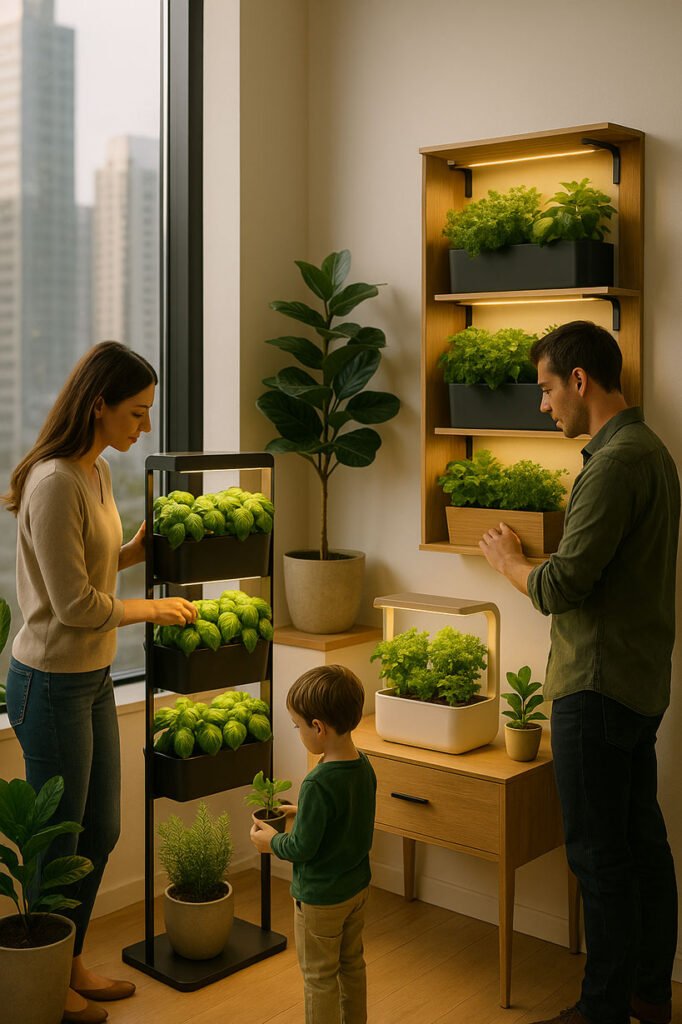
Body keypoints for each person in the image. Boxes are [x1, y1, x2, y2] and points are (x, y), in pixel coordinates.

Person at [479, 321, 679, 1024]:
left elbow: (563, 585)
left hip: (594, 687)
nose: (543, 405)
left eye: (546, 388)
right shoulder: (652, 453)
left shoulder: (617, 462)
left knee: (600, 860)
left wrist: (507, 562)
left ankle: (602, 1012)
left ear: (580, 381)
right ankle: (648, 997)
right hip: (640, 683)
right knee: (641, 847)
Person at [3, 341, 197, 1024]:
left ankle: (72, 961)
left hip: (90, 676)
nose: (143, 428)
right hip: (49, 680)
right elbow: (72, 604)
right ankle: (46, 983)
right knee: (60, 841)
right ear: (99, 406)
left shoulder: (96, 475)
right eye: (136, 414)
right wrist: (154, 606)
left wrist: (133, 553)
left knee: (101, 829)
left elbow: (87, 568)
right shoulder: (54, 480)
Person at [250, 664, 376, 1024]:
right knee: (352, 965)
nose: (299, 732)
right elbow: (346, 820)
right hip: (356, 890)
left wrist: (271, 841)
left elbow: (302, 848)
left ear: (318, 727)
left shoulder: (318, 781)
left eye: (298, 726)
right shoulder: (363, 766)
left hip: (321, 899)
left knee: (319, 977)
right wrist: (302, 811)